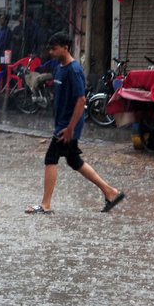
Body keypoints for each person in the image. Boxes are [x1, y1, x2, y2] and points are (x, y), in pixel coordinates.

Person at [25, 32, 125, 215]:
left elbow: (81, 100)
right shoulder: (60, 68)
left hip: (67, 126)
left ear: (66, 47)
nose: (52, 52)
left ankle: (45, 204)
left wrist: (71, 127)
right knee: (74, 160)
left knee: (51, 158)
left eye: (55, 49)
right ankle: (110, 192)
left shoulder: (74, 69)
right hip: (63, 123)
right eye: (50, 49)